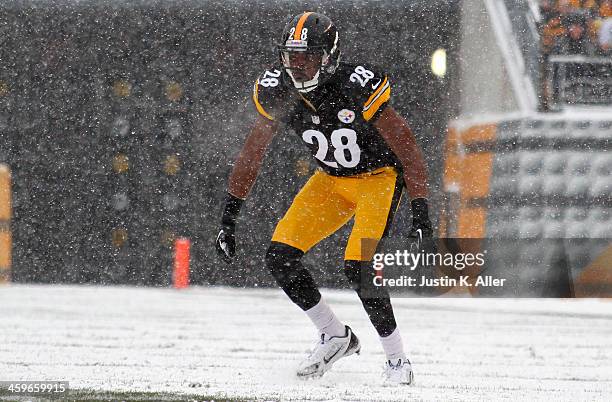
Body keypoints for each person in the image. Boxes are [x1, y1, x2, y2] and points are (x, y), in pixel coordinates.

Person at [215, 11, 432, 386]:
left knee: (357, 265)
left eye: (307, 55)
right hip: (330, 180)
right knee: (279, 257)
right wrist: (229, 216)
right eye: (291, 55)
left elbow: (407, 147)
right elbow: (253, 153)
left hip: (377, 178)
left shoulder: (356, 84)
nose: (297, 64)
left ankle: (398, 361)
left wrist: (421, 213)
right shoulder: (278, 90)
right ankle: (335, 335)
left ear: (328, 55)